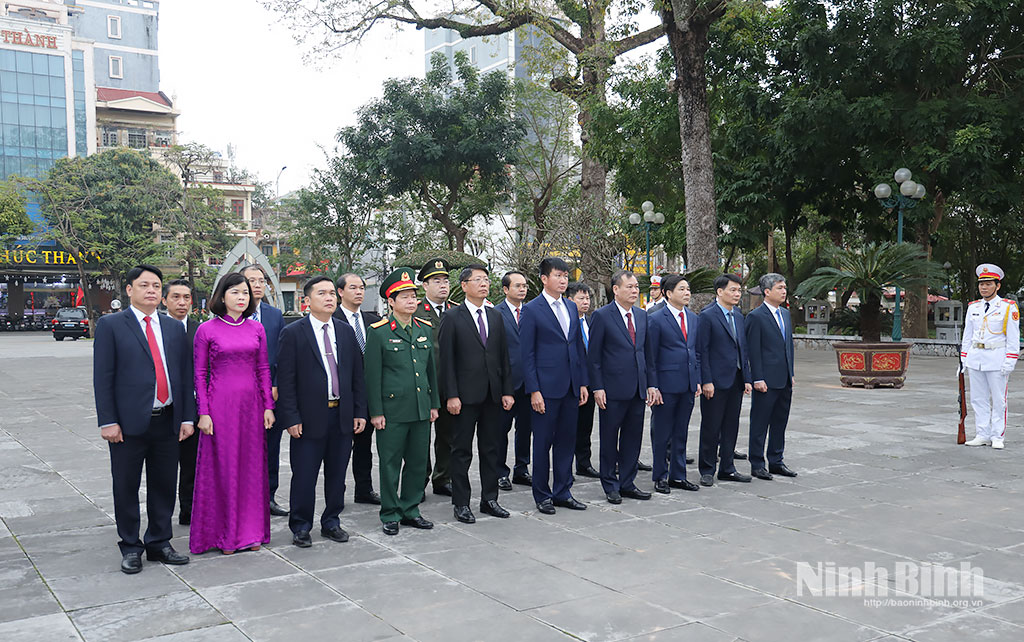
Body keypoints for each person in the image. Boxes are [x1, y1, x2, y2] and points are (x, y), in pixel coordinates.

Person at [94, 265, 194, 574]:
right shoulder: (111, 325)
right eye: (144, 285)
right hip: (127, 424)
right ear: (129, 290)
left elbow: (184, 376)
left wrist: (187, 417)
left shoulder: (174, 328)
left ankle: (159, 542)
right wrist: (108, 420)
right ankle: (130, 546)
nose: (151, 290)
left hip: (168, 420)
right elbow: (103, 376)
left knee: (164, 484)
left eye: (156, 286)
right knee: (126, 486)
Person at [277, 276, 366, 547]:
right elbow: (286, 380)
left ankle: (331, 522)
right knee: (305, 476)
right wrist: (291, 417)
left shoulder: (345, 332)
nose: (329, 298)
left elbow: (357, 376)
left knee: (337, 475)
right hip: (308, 418)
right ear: (307, 300)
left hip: (341, 414)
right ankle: (301, 526)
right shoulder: (294, 333)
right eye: (322, 294)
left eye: (331, 294)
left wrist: (359, 411)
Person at [190, 273, 275, 555]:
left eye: (246, 293)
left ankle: (251, 532)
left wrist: (268, 406)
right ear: (222, 295)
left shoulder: (256, 328)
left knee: (251, 468)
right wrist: (203, 412)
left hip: (252, 407)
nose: (242, 297)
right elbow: (200, 374)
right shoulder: (207, 330)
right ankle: (225, 535)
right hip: (220, 407)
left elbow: (263, 369)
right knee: (224, 468)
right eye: (236, 292)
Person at [365, 269, 440, 535]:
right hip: (393, 410)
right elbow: (372, 376)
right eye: (405, 297)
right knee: (390, 464)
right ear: (391, 301)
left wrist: (434, 404)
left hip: (420, 408)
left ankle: (411, 509)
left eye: (413, 296)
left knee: (418, 463)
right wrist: (376, 412)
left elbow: (430, 371)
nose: (411, 301)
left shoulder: (424, 328)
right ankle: (390, 513)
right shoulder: (379, 332)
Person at [438, 265, 515, 523]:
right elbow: (446, 360)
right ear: (464, 285)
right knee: (461, 451)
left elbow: (503, 357)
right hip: (464, 397)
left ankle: (489, 499)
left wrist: (507, 391)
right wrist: (451, 395)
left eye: (486, 279)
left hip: (492, 395)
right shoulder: (452, 317)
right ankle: (461, 503)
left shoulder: (495, 316)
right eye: (478, 280)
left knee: (491, 449)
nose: (484, 284)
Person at [520, 257, 589, 514]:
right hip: (545, 389)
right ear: (544, 279)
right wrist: (534, 390)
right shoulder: (532, 309)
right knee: (542, 443)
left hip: (570, 387)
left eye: (565, 276)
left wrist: (582, 383)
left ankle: (563, 491)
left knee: (566, 441)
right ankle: (542, 495)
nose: (563, 280)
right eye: (558, 275)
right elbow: (526, 354)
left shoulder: (571, 307)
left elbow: (577, 347)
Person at [588, 270, 656, 503]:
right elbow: (594, 357)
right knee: (609, 438)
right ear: (616, 289)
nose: (635, 291)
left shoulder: (642, 315)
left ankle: (628, 482)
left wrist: (651, 384)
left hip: (637, 388)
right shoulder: (602, 316)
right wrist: (597, 387)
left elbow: (647, 354)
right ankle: (610, 484)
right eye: (630, 287)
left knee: (633, 438)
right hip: (612, 389)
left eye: (636, 287)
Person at [240, 264, 288, 517]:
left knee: (270, 447)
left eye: (261, 280)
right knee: (243, 448)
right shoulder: (233, 314)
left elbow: (281, 354)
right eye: (251, 280)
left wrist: (276, 383)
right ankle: (244, 499)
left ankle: (268, 497)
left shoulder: (274, 315)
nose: (257, 285)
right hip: (240, 393)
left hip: (270, 392)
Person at [697, 273, 753, 487]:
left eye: (739, 290)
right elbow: (702, 351)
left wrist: (747, 377)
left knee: (731, 425)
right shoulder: (707, 315)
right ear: (720, 292)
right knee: (711, 427)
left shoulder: (738, 315)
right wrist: (706, 380)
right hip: (715, 381)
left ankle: (727, 468)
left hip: (736, 380)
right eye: (733, 290)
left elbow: (742, 348)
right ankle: (707, 469)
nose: (737, 294)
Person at [648, 274, 701, 493]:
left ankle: (678, 475)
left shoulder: (693, 318)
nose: (687, 293)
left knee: (681, 432)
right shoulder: (656, 319)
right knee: (662, 433)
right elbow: (651, 356)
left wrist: (697, 379)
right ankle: (660, 476)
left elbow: (695, 351)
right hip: (665, 385)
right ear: (668, 293)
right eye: (681, 289)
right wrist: (653, 386)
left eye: (688, 289)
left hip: (687, 384)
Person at [333, 272, 382, 505]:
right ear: (340, 292)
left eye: (361, 287)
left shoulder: (373, 320)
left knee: (364, 445)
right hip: (341, 392)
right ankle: (336, 492)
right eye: (353, 288)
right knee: (340, 447)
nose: (359, 292)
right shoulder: (332, 320)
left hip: (367, 392)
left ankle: (364, 489)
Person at [962, 264, 1020, 449]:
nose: (984, 287)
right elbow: (967, 335)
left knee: (999, 399)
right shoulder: (973, 307)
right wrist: (964, 359)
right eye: (982, 284)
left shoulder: (1008, 307)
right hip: (976, 358)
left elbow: (1013, 337)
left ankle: (997, 435)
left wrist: (1010, 361)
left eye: (988, 284)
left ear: (997, 286)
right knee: (978, 399)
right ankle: (982, 434)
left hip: (997, 358)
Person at [745, 273, 798, 479]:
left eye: (785, 287)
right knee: (760, 423)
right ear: (767, 292)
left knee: (780, 422)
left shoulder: (785, 314)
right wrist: (757, 378)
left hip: (784, 379)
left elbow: (788, 347)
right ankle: (757, 463)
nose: (784, 291)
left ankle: (776, 460)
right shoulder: (756, 316)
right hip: (765, 380)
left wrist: (790, 373)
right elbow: (753, 350)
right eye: (779, 288)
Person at [161, 279, 201, 525]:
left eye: (186, 297)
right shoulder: (156, 328)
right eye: (176, 297)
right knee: (164, 467)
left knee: (191, 464)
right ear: (164, 300)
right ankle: (161, 515)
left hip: (192, 407)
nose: (182, 302)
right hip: (163, 407)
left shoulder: (201, 330)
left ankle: (189, 511)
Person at [416, 258, 456, 498]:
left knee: (448, 435)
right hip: (424, 385)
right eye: (436, 281)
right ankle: (418, 481)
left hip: (449, 385)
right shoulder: (415, 310)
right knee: (420, 438)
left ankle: (443, 478)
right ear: (425, 286)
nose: (443, 285)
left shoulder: (456, 310)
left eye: (445, 281)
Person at [495, 270, 532, 490]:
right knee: (501, 430)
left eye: (524, 286)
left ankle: (522, 469)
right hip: (506, 383)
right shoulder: (495, 313)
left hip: (528, 382)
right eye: (517, 286)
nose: (522, 289)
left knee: (525, 428)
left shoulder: (531, 312)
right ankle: (500, 472)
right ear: (505, 289)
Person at [567, 281, 599, 479]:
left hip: (591, 382)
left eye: (588, 298)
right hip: (571, 383)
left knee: (586, 426)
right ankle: (565, 467)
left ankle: (584, 463)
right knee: (568, 427)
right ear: (570, 300)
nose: (586, 302)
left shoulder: (591, 321)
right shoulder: (566, 322)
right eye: (581, 298)